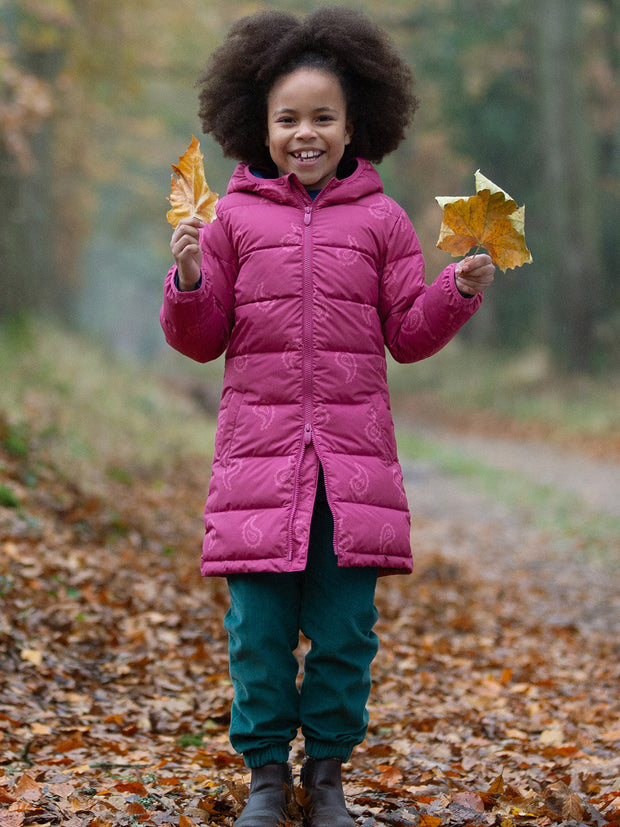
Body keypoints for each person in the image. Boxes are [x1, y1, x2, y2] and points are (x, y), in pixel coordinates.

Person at [161, 7, 495, 826]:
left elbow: (406, 337)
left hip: (352, 473)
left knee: (346, 636)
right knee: (258, 637)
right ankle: (268, 781)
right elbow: (199, 343)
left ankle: (331, 777)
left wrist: (454, 292)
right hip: (258, 469)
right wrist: (192, 279)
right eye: (288, 119)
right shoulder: (230, 220)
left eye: (322, 117)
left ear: (355, 125)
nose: (304, 133)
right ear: (259, 125)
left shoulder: (382, 221)